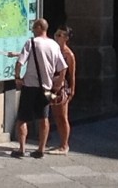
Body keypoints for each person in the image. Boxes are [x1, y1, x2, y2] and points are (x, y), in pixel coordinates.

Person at [12, 18, 67, 159]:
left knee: (22, 118)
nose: (32, 29)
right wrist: (59, 82)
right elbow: (63, 67)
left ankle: (22, 148)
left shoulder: (31, 43)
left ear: (38, 28)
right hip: (46, 88)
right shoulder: (54, 45)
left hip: (30, 85)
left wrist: (17, 77)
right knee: (44, 118)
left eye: (33, 27)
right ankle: (40, 149)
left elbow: (19, 63)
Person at [49, 25, 76, 154]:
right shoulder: (53, 50)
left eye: (60, 35)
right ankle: (60, 142)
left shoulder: (68, 54)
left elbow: (72, 74)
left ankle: (64, 145)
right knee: (55, 114)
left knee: (63, 115)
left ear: (66, 38)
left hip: (62, 87)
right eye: (56, 34)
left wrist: (72, 89)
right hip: (51, 85)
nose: (57, 37)